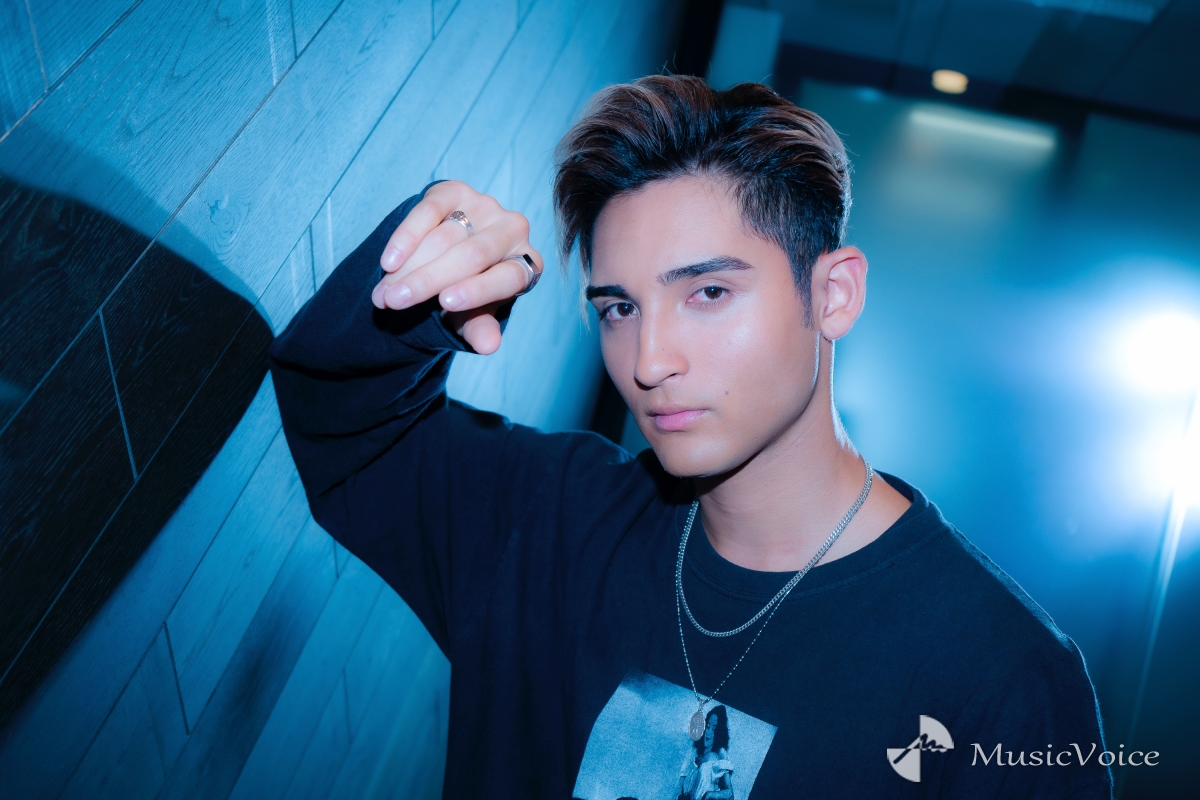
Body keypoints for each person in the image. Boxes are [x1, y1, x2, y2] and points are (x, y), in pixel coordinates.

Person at [269, 75, 1113, 798]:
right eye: (619, 308)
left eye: (708, 293)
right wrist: (424, 283)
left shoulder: (1005, 676)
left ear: (833, 296)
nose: (649, 360)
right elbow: (350, 428)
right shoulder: (551, 519)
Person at [677, 705, 733, 800]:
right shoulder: (695, 754)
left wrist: (710, 795)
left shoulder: (717, 756)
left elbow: (730, 794)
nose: (708, 732)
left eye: (714, 729)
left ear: (719, 733)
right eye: (708, 727)